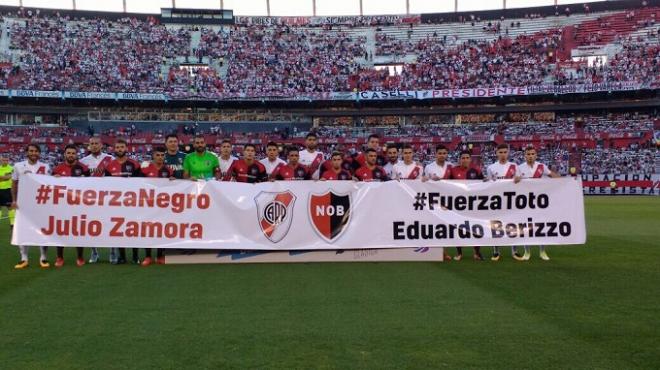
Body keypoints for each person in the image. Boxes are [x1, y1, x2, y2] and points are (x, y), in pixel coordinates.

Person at [514, 146, 561, 261]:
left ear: (536, 155)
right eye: (528, 154)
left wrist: (567, 181)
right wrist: (516, 179)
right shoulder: (519, 168)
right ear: (525, 156)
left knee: (541, 226)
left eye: (532, 154)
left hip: (539, 201)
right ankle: (527, 251)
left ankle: (542, 251)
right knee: (526, 227)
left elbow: (553, 175)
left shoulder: (541, 166)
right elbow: (514, 181)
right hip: (525, 201)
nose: (530, 156)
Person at [11, 144, 51, 269]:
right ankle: (24, 258)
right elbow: (14, 184)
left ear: (39, 153)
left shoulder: (46, 167)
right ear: (27, 152)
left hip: (41, 203)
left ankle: (43, 257)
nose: (33, 153)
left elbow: (50, 184)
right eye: (31, 151)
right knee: (22, 230)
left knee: (43, 230)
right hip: (23, 203)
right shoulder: (18, 166)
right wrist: (14, 200)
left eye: (36, 151)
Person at [104, 139, 142, 265]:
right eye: (118, 147)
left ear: (126, 148)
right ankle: (122, 256)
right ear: (114, 149)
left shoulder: (135, 164)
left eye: (122, 147)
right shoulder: (109, 166)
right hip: (117, 204)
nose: (120, 149)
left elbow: (141, 184)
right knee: (119, 230)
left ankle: (135, 256)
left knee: (133, 229)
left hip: (133, 203)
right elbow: (106, 185)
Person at [52, 144, 90, 267]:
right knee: (60, 231)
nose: (71, 155)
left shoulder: (83, 168)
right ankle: (59, 257)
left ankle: (80, 257)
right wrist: (54, 179)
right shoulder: (57, 169)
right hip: (62, 205)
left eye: (73, 153)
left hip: (78, 205)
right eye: (69, 153)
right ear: (65, 154)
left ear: (76, 155)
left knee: (78, 231)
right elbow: (50, 186)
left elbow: (91, 186)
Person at [486, 144, 524, 262]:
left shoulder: (514, 166)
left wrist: (519, 179)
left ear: (508, 153)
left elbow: (520, 181)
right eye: (500, 152)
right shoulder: (491, 167)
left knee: (513, 225)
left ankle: (514, 251)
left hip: (511, 201)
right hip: (496, 201)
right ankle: (496, 251)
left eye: (505, 152)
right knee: (496, 225)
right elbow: (488, 184)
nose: (503, 154)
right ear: (496, 153)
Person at [80, 136, 114, 263]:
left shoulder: (110, 159)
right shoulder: (83, 161)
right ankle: (94, 252)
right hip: (90, 199)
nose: (94, 145)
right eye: (92, 143)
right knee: (91, 225)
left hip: (108, 198)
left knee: (111, 225)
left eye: (96, 143)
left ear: (101, 145)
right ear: (89, 145)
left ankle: (112, 251)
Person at [140, 147, 174, 266]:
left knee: (161, 230)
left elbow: (172, 187)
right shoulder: (145, 169)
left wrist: (173, 181)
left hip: (162, 205)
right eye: (157, 155)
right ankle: (148, 256)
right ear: (153, 156)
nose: (160, 157)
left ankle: (160, 256)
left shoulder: (168, 170)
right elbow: (137, 184)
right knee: (147, 230)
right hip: (148, 204)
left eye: (162, 155)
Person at [449, 150, 484, 261]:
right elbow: (446, 186)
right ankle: (459, 253)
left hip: (473, 205)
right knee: (458, 229)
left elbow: (484, 185)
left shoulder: (476, 170)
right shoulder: (453, 170)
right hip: (458, 206)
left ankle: (477, 253)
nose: (464, 160)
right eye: (462, 158)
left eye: (466, 158)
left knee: (476, 229)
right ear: (459, 159)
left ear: (470, 159)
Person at [0, 156, 15, 230]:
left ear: (8, 161)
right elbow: (6, 177)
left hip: (8, 190)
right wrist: (4, 177)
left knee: (10, 207)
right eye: (3, 160)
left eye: (6, 160)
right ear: (1, 160)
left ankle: (12, 223)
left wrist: (3, 177)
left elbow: (8, 177)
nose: (5, 161)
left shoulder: (11, 168)